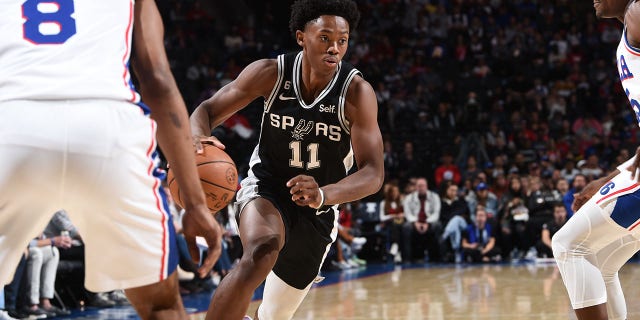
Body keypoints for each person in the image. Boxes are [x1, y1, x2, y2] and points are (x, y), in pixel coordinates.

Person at [0, 1, 222, 319]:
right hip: (108, 128)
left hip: (12, 120)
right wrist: (196, 203)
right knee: (161, 306)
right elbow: (157, 82)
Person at [189, 0, 384, 319]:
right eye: (324, 37)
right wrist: (197, 137)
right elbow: (206, 111)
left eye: (342, 40)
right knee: (262, 249)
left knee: (275, 315)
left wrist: (324, 194)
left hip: (318, 209)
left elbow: (373, 173)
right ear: (301, 37)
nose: (334, 48)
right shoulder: (271, 73)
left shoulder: (356, 93)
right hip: (267, 187)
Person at [552, 1, 640, 320]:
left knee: (568, 244)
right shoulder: (628, 30)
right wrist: (608, 179)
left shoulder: (637, 13)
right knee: (600, 261)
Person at [401, 177, 441, 262]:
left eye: (423, 186)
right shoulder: (409, 198)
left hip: (429, 222)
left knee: (437, 225)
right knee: (406, 227)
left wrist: (427, 222)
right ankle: (407, 258)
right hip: (414, 223)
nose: (421, 188)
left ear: (426, 186)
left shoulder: (435, 197)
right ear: (416, 187)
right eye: (419, 186)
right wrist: (415, 222)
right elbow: (408, 214)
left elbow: (436, 213)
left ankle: (436, 258)